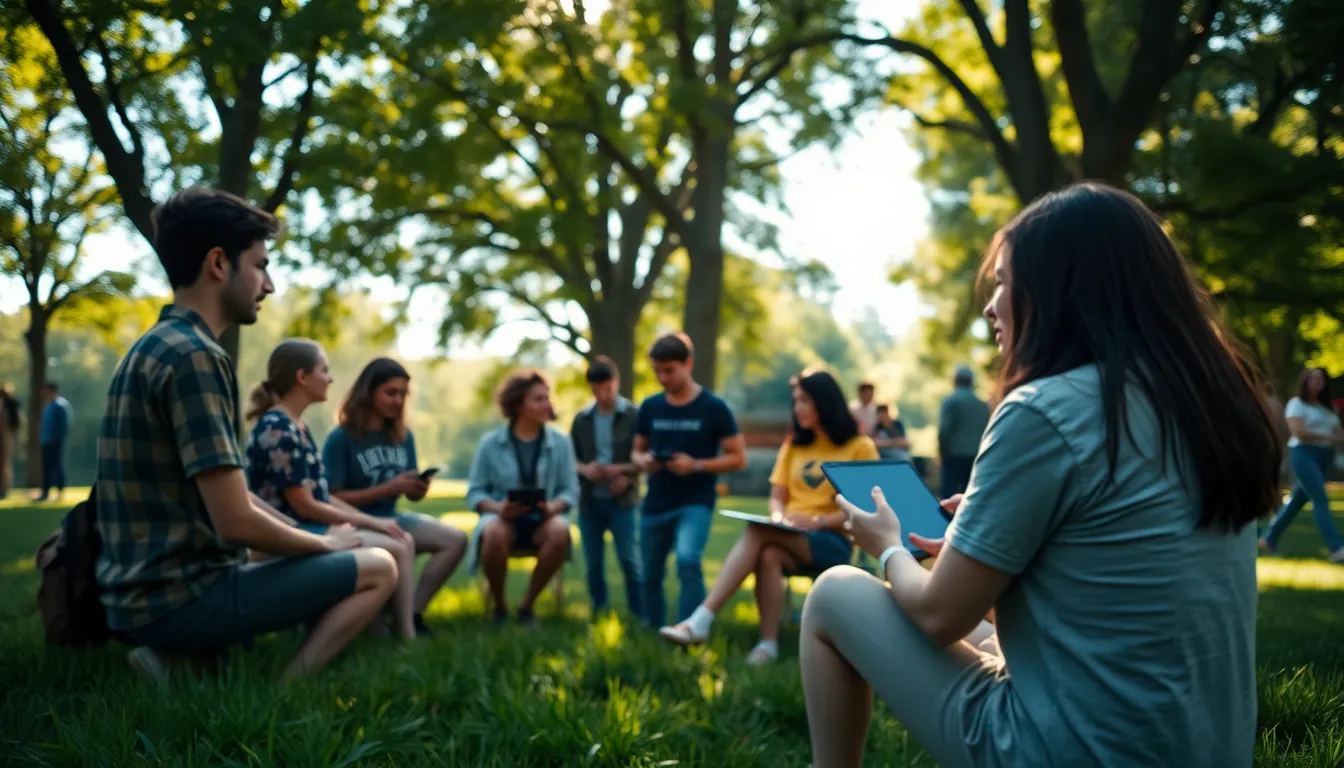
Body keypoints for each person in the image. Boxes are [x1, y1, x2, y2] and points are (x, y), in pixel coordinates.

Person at [800, 182, 1282, 767]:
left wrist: (885, 544)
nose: (990, 303)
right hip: (1206, 748)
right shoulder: (1211, 404)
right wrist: (985, 545)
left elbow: (936, 616)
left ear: (1059, 288)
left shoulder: (1044, 411)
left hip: (1076, 751)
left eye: (1003, 280)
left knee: (832, 596)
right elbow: (1109, 595)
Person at [96, 187, 398, 687]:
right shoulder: (197, 356)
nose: (270, 284)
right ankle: (286, 692)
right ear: (219, 264)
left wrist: (318, 537)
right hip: (177, 599)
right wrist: (324, 547)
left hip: (135, 595)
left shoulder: (152, 346)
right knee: (380, 566)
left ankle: (181, 663)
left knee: (330, 550)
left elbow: (232, 499)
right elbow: (236, 521)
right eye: (260, 265)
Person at [659, 369, 878, 664]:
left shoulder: (859, 447)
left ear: (825, 402)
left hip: (833, 542)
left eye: (804, 400)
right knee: (769, 554)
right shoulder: (793, 445)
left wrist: (818, 522)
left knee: (756, 533)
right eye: (795, 401)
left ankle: (701, 619)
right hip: (787, 535)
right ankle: (768, 644)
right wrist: (777, 517)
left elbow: (866, 508)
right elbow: (777, 496)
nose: (797, 407)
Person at [244, 339, 421, 639]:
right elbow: (305, 506)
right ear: (302, 377)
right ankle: (403, 636)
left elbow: (322, 497)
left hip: (308, 526)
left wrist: (374, 522)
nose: (331, 378)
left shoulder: (295, 425)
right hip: (291, 534)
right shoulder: (278, 429)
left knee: (400, 542)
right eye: (324, 370)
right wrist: (368, 521)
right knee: (396, 548)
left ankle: (390, 632)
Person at [322, 358, 469, 635]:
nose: (398, 400)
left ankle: (411, 612)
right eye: (391, 393)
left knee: (455, 539)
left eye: (403, 394)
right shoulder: (342, 438)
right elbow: (331, 498)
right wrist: (387, 488)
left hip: (394, 517)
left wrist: (416, 490)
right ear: (369, 392)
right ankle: (388, 621)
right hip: (357, 521)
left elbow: (409, 495)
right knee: (403, 545)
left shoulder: (403, 436)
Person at [633, 332, 747, 628]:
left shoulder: (713, 407)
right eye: (657, 371)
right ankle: (653, 629)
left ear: (689, 363)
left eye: (669, 370)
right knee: (650, 574)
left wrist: (695, 464)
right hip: (655, 501)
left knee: (687, 561)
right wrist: (644, 462)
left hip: (695, 501)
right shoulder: (650, 407)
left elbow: (738, 457)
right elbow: (636, 450)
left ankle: (689, 629)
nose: (662, 378)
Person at [465, 369, 578, 625]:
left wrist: (553, 507)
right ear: (517, 404)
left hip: (544, 520)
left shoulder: (561, 442)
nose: (547, 405)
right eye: (538, 399)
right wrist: (498, 508)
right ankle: (500, 608)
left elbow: (571, 490)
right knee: (492, 533)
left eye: (547, 398)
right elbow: (475, 492)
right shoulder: (490, 443)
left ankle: (527, 606)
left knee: (560, 530)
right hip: (503, 520)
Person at [569, 356, 643, 618]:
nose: (602, 395)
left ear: (617, 383)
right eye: (595, 390)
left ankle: (639, 613)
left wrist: (626, 476)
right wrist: (585, 469)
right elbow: (571, 460)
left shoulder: (634, 416)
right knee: (593, 562)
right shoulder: (582, 420)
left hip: (623, 500)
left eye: (607, 389)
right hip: (590, 500)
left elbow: (645, 458)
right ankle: (599, 611)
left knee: (629, 559)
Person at [1259, 367, 1344, 561]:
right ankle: (1336, 547)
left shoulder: (1327, 409)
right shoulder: (1296, 404)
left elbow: (1338, 433)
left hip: (1325, 456)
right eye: (1312, 379)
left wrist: (1335, 438)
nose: (1316, 383)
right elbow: (1298, 432)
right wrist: (1328, 437)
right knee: (1320, 498)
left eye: (1320, 379)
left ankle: (1269, 539)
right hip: (1304, 455)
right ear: (1304, 381)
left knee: (1297, 500)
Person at [936, 365, 989, 499]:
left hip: (954, 456)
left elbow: (944, 430)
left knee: (949, 496)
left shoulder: (950, 402)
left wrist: (942, 452)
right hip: (976, 456)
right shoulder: (982, 405)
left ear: (955, 381)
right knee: (970, 496)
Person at [35, 382, 72, 502]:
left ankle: (59, 490)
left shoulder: (59, 406)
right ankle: (45, 491)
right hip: (46, 441)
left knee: (56, 466)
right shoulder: (49, 405)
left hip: (55, 442)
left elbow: (63, 426)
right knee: (47, 467)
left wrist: (55, 439)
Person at [0, 384, 18, 498]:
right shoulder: (12, 408)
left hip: (4, 440)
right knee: (5, 465)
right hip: (8, 440)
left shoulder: (6, 408)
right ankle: (5, 488)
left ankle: (4, 489)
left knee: (4, 465)